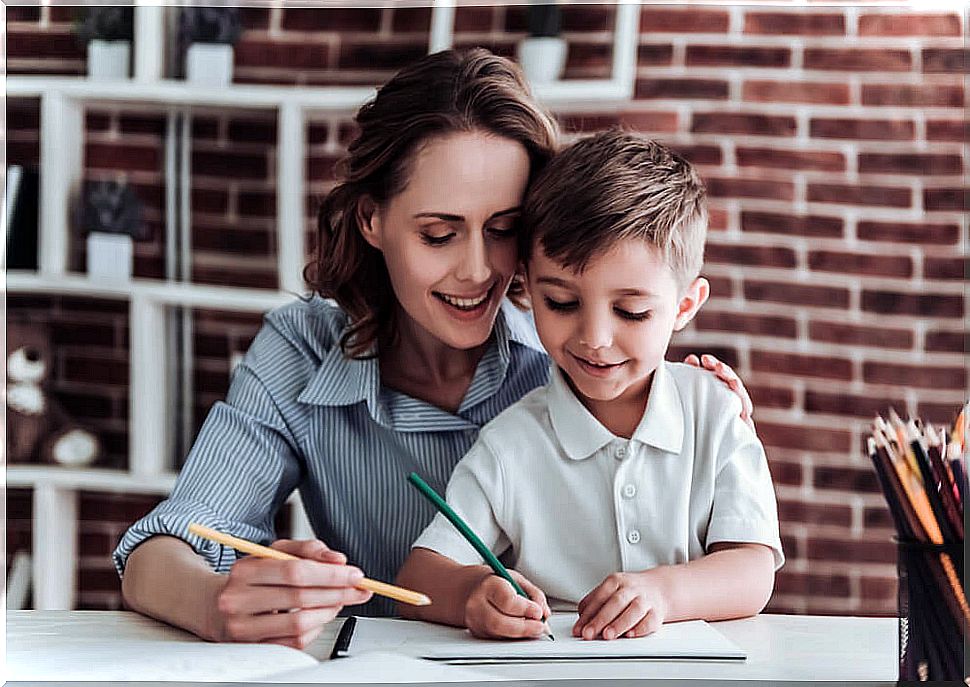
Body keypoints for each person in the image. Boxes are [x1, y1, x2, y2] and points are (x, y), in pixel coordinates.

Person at [114, 49, 755, 650]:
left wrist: (702, 403)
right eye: (440, 234)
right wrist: (216, 602)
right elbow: (167, 545)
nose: (477, 271)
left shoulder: (574, 351)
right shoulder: (304, 351)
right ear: (372, 220)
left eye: (503, 231)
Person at [396, 130, 784, 641]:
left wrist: (663, 594)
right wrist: (473, 594)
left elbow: (753, 572)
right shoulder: (511, 442)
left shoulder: (715, 412)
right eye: (561, 303)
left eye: (632, 311)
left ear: (685, 306)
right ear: (527, 289)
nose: (595, 339)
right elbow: (418, 575)